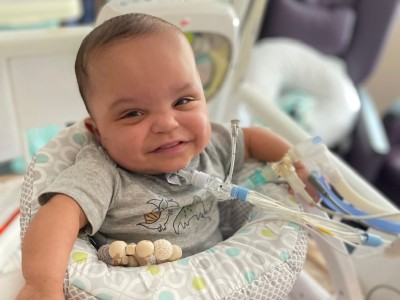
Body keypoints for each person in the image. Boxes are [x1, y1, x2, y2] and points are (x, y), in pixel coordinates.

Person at [17, 13, 313, 299]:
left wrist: (294, 164)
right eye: (133, 113)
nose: (167, 124)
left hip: (224, 285)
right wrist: (41, 285)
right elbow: (59, 214)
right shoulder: (104, 171)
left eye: (183, 101)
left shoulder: (212, 146)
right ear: (98, 131)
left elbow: (252, 139)